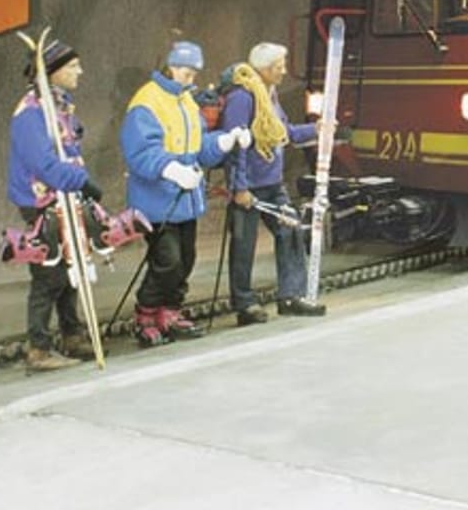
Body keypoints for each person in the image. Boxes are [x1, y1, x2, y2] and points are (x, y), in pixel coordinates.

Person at [121, 41, 248, 347]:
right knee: (167, 260)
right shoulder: (147, 102)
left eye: (194, 73)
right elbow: (140, 151)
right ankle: (146, 314)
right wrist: (173, 170)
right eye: (187, 72)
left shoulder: (187, 103)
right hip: (156, 203)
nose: (191, 79)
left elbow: (199, 147)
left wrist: (223, 141)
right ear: (171, 67)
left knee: (186, 259)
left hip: (185, 201)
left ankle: (170, 311)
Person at [6, 38, 102, 372]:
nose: (80, 71)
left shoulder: (59, 107)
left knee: (73, 261)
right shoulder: (31, 113)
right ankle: (38, 347)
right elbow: (43, 162)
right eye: (73, 66)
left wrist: (80, 182)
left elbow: (70, 149)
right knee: (50, 270)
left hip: (65, 195)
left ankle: (71, 333)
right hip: (42, 199)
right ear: (55, 71)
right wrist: (80, 181)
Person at [222, 42, 328, 325]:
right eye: (280, 66)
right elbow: (236, 145)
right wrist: (239, 187)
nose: (284, 71)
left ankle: (291, 295)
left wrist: (314, 130)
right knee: (244, 245)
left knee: (290, 230)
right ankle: (244, 304)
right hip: (249, 185)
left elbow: (284, 132)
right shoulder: (243, 97)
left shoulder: (268, 93)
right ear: (266, 69)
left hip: (271, 182)